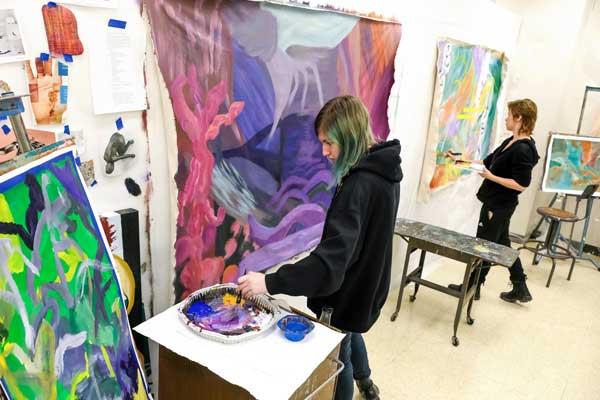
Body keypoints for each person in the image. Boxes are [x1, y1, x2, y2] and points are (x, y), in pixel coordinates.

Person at [238, 95, 402, 400]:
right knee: (350, 333)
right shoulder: (385, 173)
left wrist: (268, 281)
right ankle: (368, 385)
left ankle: (355, 386)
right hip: (366, 285)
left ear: (349, 137)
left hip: (347, 292)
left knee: (339, 358)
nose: (325, 151)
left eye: (330, 142)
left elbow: (329, 266)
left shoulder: (359, 186)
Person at [446, 98, 540, 303]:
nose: (506, 118)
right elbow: (486, 163)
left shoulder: (523, 149)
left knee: (484, 245)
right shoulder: (510, 142)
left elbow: (522, 184)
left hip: (499, 206)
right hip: (497, 203)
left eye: (509, 114)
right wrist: (459, 161)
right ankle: (520, 287)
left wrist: (491, 177)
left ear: (519, 118)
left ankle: (473, 286)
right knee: (502, 244)